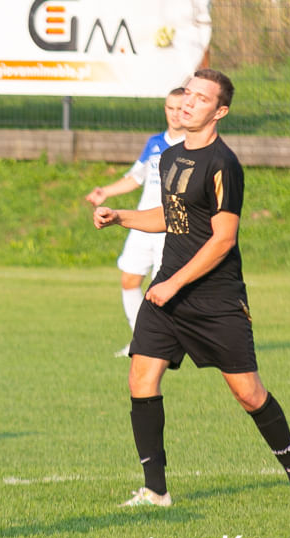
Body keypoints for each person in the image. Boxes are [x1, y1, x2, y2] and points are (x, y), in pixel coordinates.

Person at [92, 69, 290, 507]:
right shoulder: (170, 156)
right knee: (141, 379)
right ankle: (156, 490)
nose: (187, 103)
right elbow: (173, 218)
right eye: (187, 95)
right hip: (166, 294)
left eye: (200, 98)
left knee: (248, 393)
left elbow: (223, 239)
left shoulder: (224, 164)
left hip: (215, 299)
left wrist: (174, 282)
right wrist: (120, 216)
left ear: (220, 111)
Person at [87, 88, 185, 358]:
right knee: (129, 280)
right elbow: (136, 177)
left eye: (181, 108)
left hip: (169, 227)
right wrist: (105, 191)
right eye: (170, 108)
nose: (175, 114)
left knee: (161, 289)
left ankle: (168, 344)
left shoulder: (193, 146)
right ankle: (139, 339)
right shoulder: (155, 143)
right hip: (141, 223)